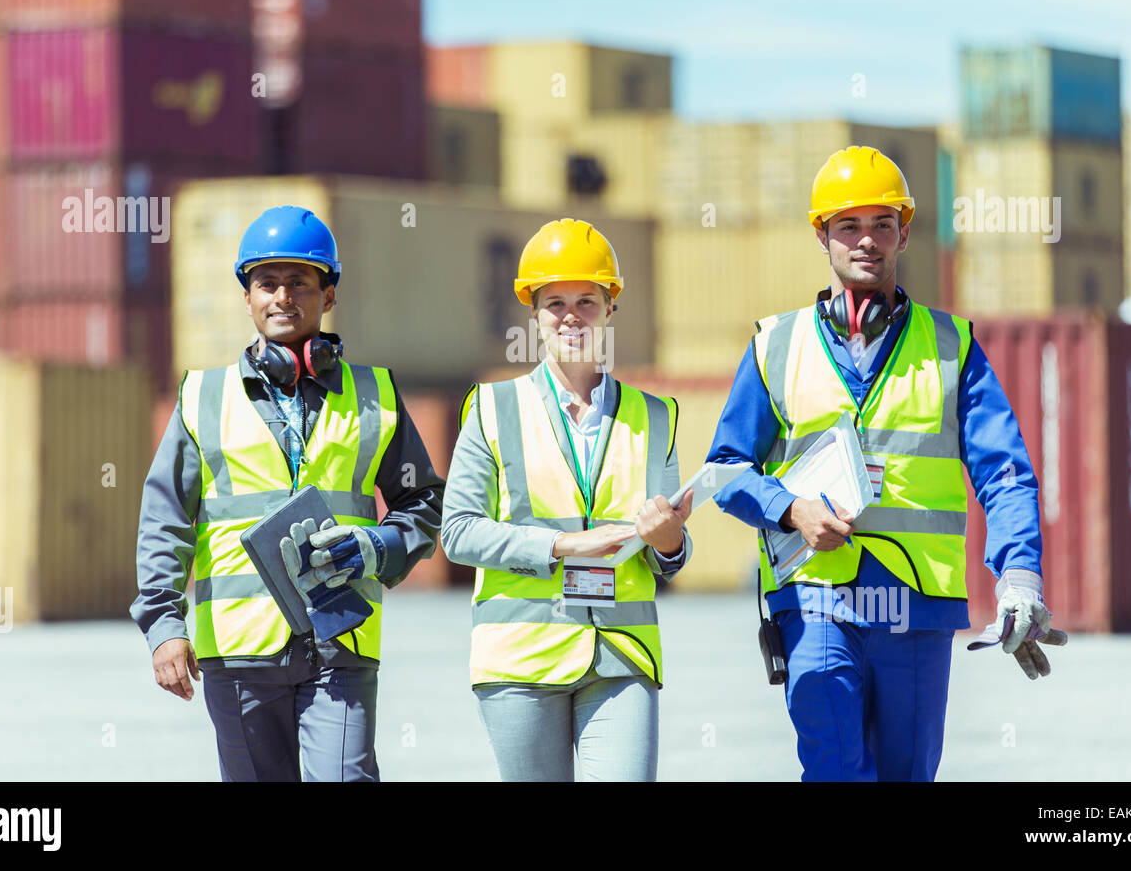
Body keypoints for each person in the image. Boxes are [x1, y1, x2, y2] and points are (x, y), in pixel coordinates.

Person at [707, 146, 1066, 782]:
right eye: (848, 225)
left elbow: (1004, 473)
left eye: (881, 224)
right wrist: (790, 509)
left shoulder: (952, 347)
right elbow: (726, 469)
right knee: (836, 769)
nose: (866, 240)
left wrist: (1020, 578)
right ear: (822, 235)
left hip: (916, 608)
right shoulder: (776, 345)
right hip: (816, 598)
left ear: (905, 231)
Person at [130, 205, 444, 781]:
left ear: (328, 296)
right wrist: (165, 627)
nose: (282, 296)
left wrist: (378, 546)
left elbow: (423, 505)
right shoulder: (202, 397)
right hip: (239, 651)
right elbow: (165, 520)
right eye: (266, 282)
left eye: (300, 281)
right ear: (246, 297)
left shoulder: (374, 393)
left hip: (341, 642)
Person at [440, 218, 694, 782]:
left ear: (611, 308)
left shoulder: (655, 416)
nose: (571, 316)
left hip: (622, 654)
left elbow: (668, 556)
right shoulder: (491, 408)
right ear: (533, 313)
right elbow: (456, 532)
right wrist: (562, 544)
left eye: (587, 300)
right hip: (520, 658)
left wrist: (671, 543)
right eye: (555, 302)